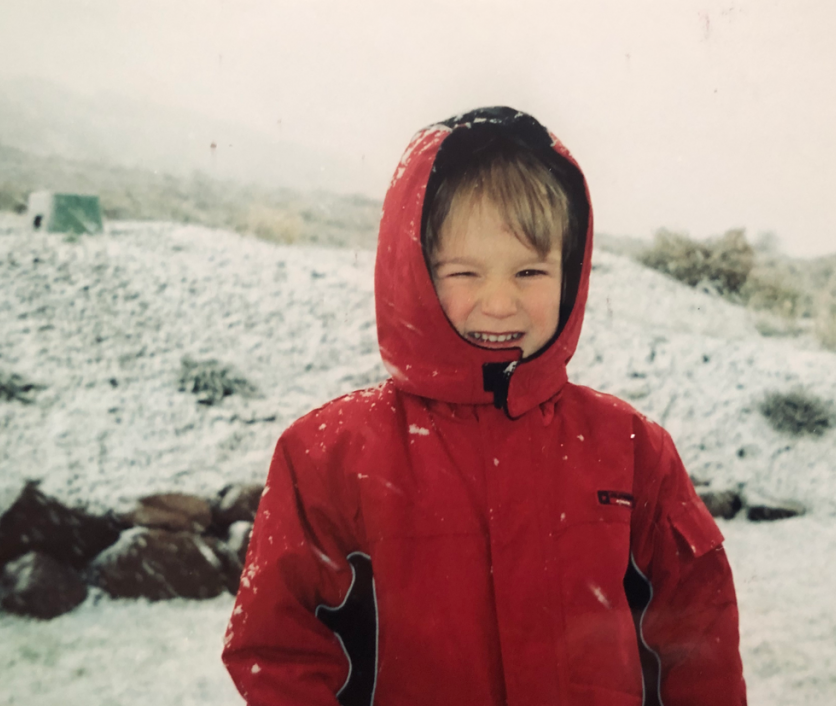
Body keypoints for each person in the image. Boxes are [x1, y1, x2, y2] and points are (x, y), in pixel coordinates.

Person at [222, 106, 746, 706]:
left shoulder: (632, 450)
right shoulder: (328, 456)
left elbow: (699, 635)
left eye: (529, 270)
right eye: (465, 272)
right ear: (413, 273)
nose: (500, 302)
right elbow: (278, 650)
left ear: (569, 273)